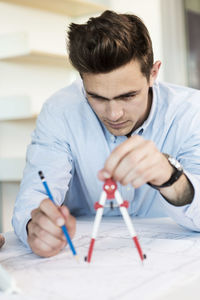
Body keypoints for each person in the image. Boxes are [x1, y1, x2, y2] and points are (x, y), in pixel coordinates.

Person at [13, 10, 200, 258]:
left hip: (170, 259)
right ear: (82, 81)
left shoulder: (191, 112)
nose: (113, 114)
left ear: (153, 73)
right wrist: (34, 226)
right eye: (97, 97)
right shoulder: (59, 112)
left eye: (128, 96)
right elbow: (33, 196)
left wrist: (170, 176)